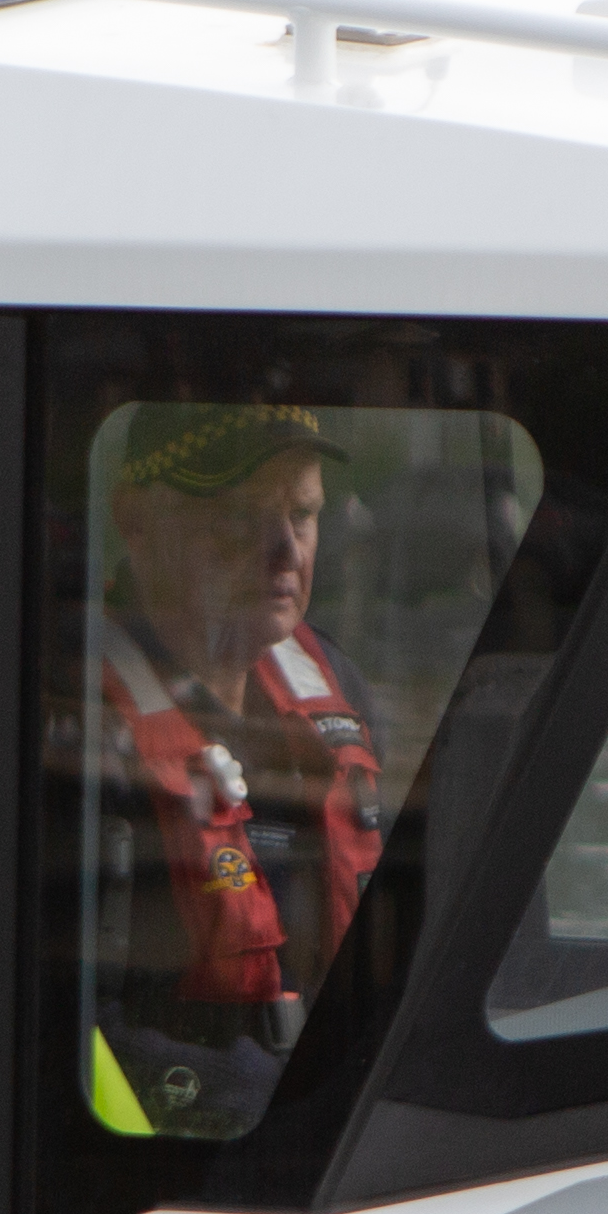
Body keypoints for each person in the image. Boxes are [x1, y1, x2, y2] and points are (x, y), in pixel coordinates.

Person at [84, 403, 387, 1133]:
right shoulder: (69, 713)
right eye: (241, 517)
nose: (285, 550)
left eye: (304, 515)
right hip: (178, 1148)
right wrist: (256, 1102)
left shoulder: (336, 682)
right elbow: (44, 1023)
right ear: (137, 520)